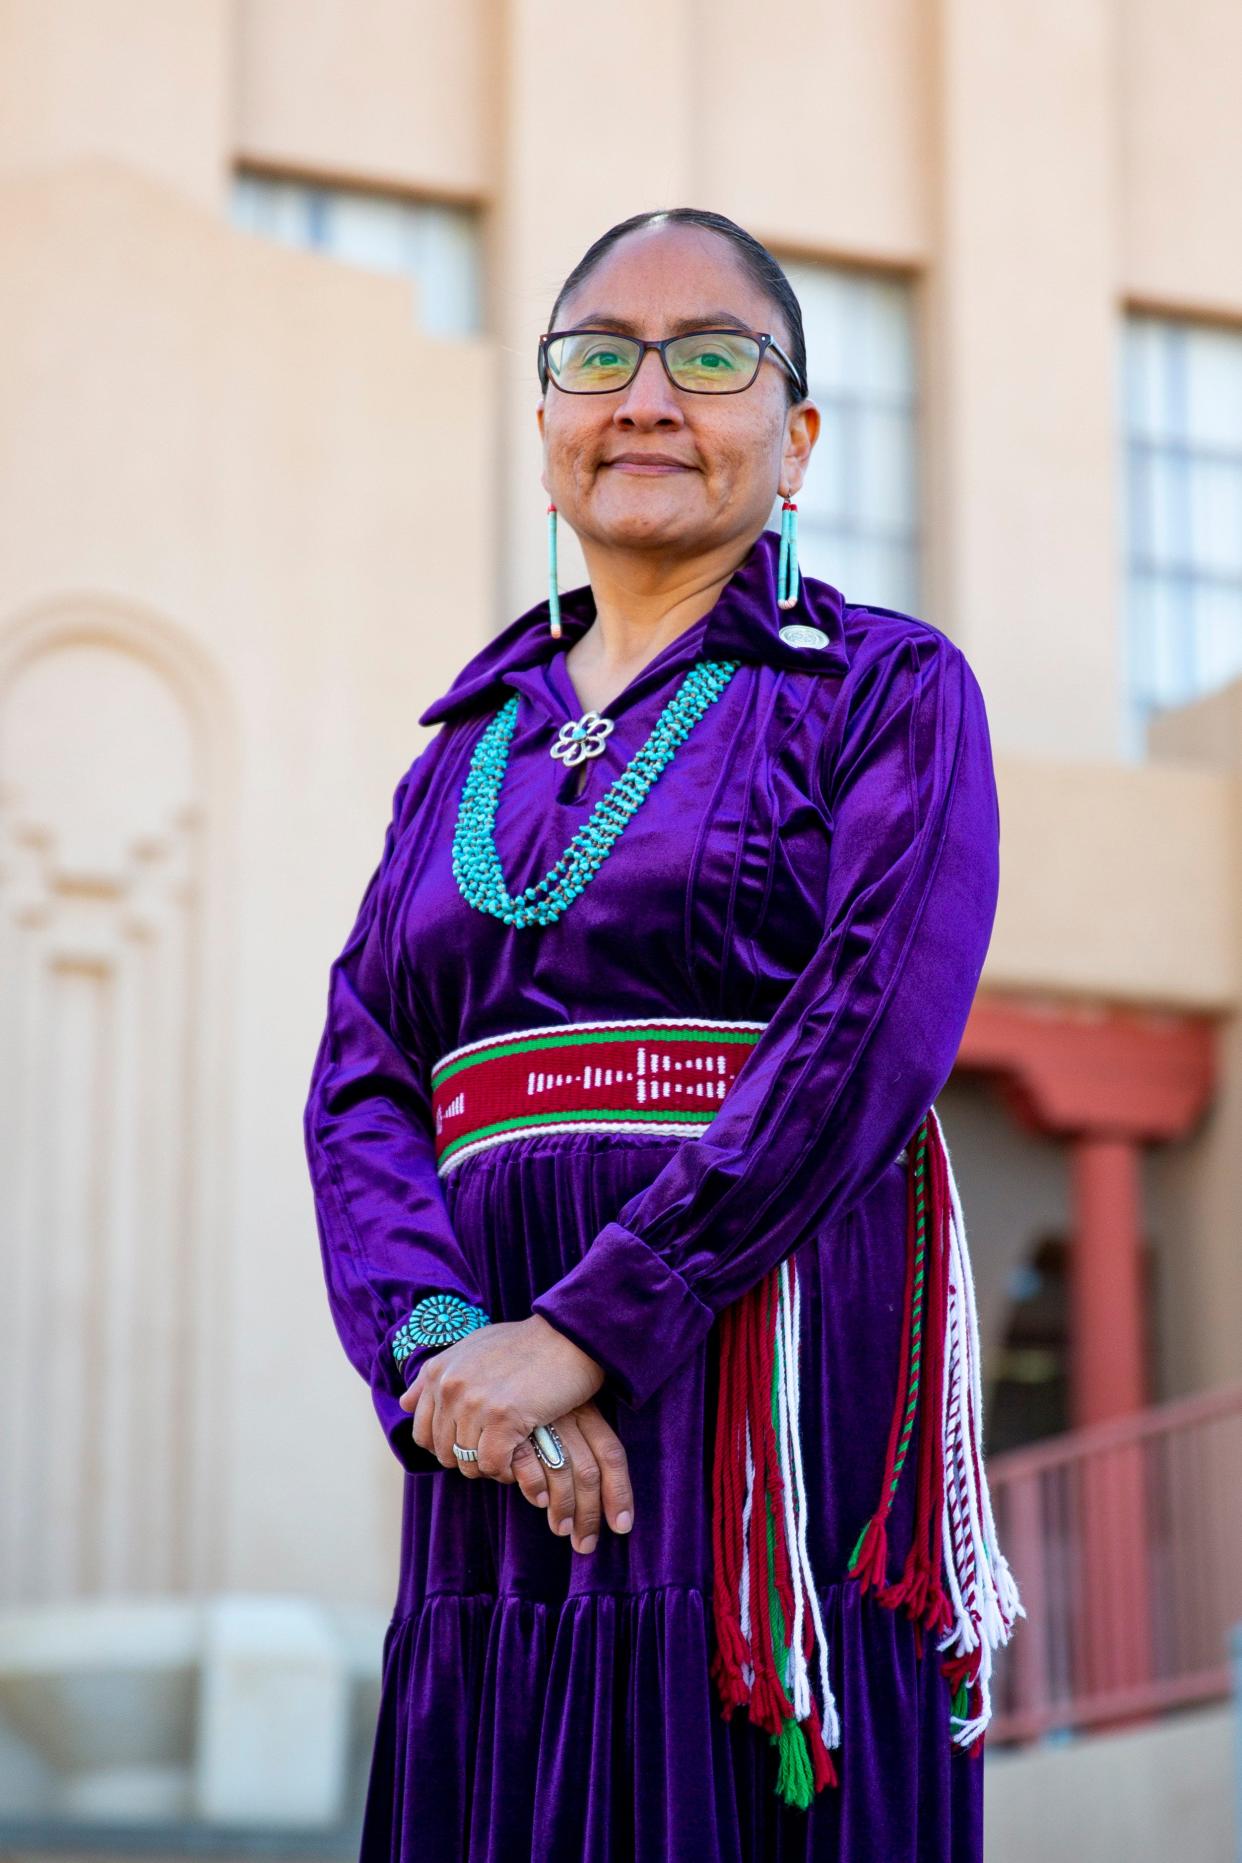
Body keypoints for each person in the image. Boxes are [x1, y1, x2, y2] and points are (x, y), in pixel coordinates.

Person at [302, 206, 1024, 1863]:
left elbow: (866, 1033)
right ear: (544, 421)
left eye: (710, 359)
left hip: (756, 1379)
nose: (644, 397)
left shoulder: (882, 692)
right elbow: (359, 1080)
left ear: (798, 439)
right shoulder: (455, 756)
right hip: (488, 1426)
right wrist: (441, 1357)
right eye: (594, 358)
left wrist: (596, 1325)